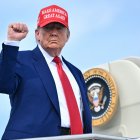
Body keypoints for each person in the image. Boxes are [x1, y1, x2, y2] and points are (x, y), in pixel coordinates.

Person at [0, 4, 92, 139]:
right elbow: (3, 84)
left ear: (67, 36)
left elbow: (83, 113)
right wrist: (12, 42)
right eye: (48, 27)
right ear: (37, 34)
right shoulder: (19, 59)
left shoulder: (76, 73)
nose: (54, 32)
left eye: (59, 28)